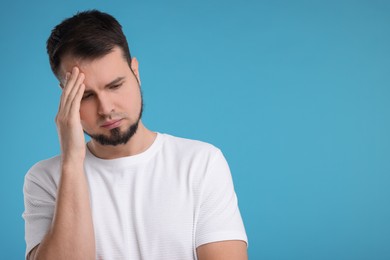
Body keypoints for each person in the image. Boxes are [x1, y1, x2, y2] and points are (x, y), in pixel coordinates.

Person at [22, 9, 248, 260]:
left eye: (115, 85)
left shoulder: (201, 163)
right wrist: (72, 163)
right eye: (86, 95)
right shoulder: (45, 179)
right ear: (66, 96)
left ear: (135, 72)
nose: (106, 109)